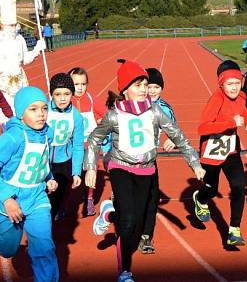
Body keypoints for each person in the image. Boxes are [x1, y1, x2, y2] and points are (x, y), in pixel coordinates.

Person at [84, 59, 205, 282]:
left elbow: (178, 135)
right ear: (125, 89)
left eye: (145, 85)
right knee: (128, 221)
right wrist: (91, 166)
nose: (144, 90)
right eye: (138, 85)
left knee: (136, 226)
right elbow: (94, 140)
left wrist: (194, 163)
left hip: (146, 171)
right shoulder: (114, 114)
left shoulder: (156, 112)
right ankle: (124, 271)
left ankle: (109, 214)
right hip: (120, 167)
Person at [0, 86, 59, 282]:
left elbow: (40, 161)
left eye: (44, 108)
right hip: (9, 201)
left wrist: (49, 178)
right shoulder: (12, 138)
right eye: (33, 109)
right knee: (7, 249)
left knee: (44, 248)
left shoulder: (48, 133)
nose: (41, 114)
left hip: (37, 198)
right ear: (21, 114)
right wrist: (7, 198)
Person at [193, 60, 247, 245]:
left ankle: (234, 230)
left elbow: (243, 113)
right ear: (221, 84)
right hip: (211, 151)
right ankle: (201, 197)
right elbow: (202, 128)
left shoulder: (242, 97)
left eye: (237, 83)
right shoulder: (216, 100)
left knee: (238, 186)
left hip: (231, 150)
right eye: (230, 84)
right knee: (212, 189)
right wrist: (230, 124)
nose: (234, 87)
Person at [0, 0, 46, 126]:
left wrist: (37, 49)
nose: (13, 28)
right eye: (10, 25)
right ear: (2, 25)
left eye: (14, 25)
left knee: (22, 114)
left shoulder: (19, 38)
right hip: (1, 85)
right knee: (7, 118)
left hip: (20, 83)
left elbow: (24, 59)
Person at [139, 67, 176, 254]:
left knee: (152, 200)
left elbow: (174, 130)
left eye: (156, 87)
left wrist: (171, 140)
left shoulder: (165, 108)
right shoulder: (132, 104)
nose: (152, 91)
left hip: (150, 160)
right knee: (134, 201)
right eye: (149, 86)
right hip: (127, 161)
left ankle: (146, 237)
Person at [69, 67, 107, 217]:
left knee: (91, 172)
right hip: (72, 144)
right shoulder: (66, 99)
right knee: (70, 173)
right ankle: (64, 203)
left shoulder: (91, 99)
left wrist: (100, 121)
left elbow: (104, 114)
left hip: (90, 144)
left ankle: (89, 198)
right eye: (76, 84)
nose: (80, 88)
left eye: (83, 84)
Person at [47, 73, 84, 221]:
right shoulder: (44, 110)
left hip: (63, 163)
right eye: (57, 94)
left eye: (67, 94)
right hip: (43, 161)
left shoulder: (76, 117)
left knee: (57, 197)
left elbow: (78, 145)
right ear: (51, 95)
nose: (62, 98)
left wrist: (76, 172)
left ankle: (49, 225)